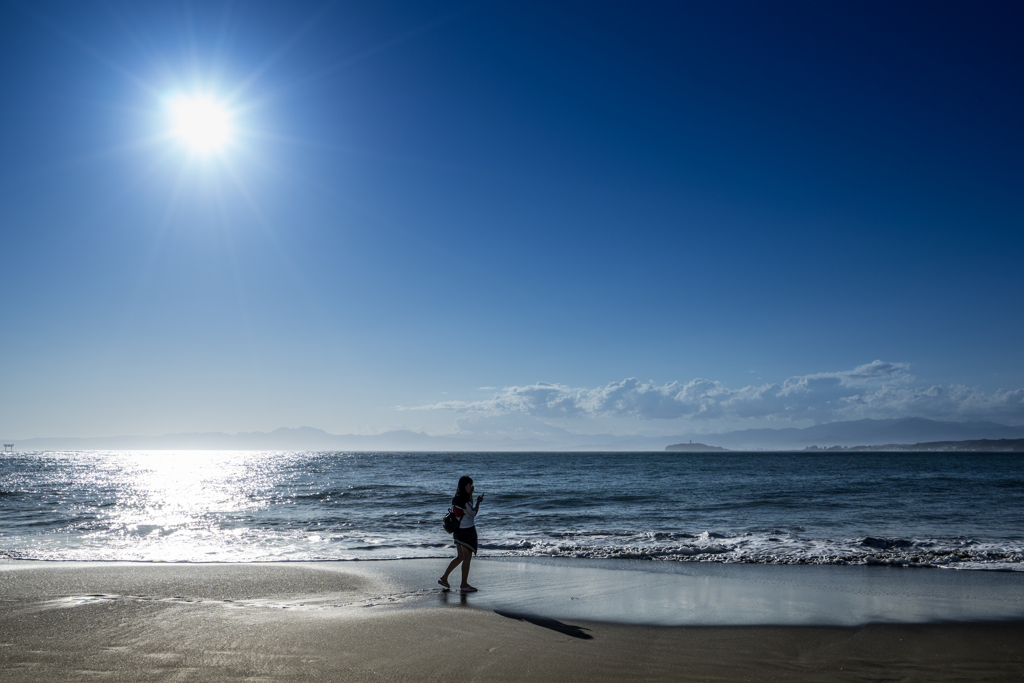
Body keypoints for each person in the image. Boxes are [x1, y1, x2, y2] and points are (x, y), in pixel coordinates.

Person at [438, 475, 483, 593]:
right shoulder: (465, 501)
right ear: (464, 486)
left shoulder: (456, 498)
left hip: (457, 532)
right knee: (467, 558)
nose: (471, 487)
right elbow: (473, 513)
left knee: (460, 557)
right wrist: (478, 502)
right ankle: (463, 584)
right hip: (466, 531)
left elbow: (467, 510)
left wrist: (470, 495)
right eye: (469, 485)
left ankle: (444, 578)